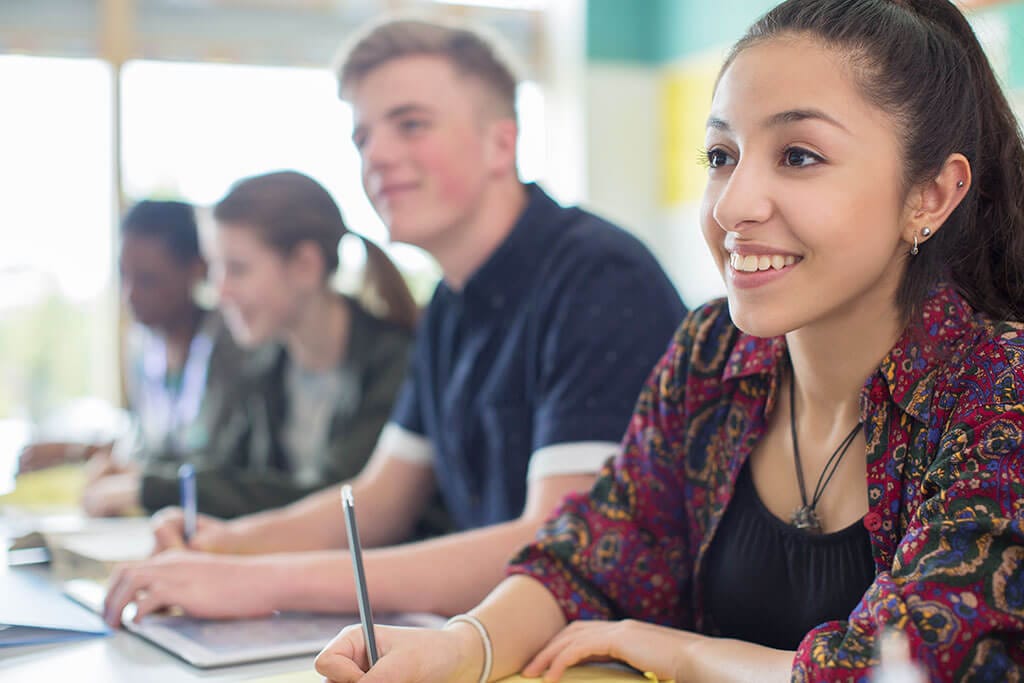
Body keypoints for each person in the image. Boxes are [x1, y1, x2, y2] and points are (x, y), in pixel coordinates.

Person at [313, 1, 1024, 681]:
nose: (734, 205)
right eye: (721, 155)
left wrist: (666, 649)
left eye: (800, 155)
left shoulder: (997, 385)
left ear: (930, 196)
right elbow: (589, 554)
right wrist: (459, 647)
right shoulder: (714, 353)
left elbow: (907, 668)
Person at [101, 18, 685, 626]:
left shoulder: (597, 276)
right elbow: (379, 500)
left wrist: (257, 580)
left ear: (500, 144)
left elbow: (559, 546)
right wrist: (228, 542)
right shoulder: (450, 305)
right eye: (362, 138)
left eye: (410, 124)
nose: (375, 154)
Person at [133, 170, 418, 518]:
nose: (220, 292)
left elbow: (332, 501)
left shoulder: (398, 365)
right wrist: (143, 477)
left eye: (237, 269)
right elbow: (225, 471)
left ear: (305, 266)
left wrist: (152, 488)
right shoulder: (263, 369)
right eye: (217, 270)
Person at [17, 200, 244, 517]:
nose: (131, 295)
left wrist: (139, 481)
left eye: (149, 279)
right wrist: (83, 454)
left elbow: (220, 466)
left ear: (197, 269)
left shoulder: (238, 349)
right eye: (125, 276)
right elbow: (151, 448)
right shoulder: (143, 350)